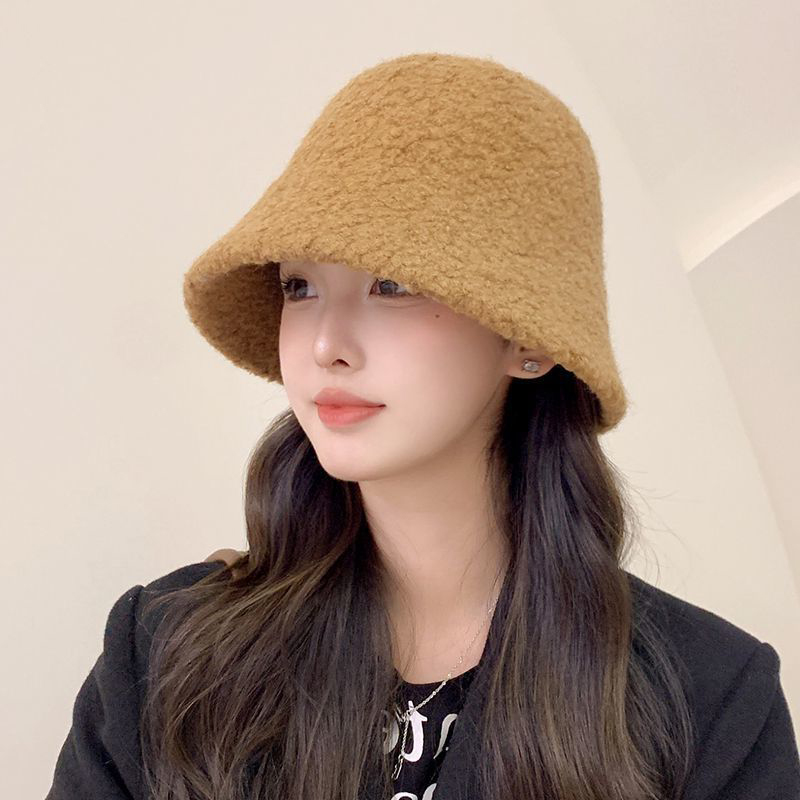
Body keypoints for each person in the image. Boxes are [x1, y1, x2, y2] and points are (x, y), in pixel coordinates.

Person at [47, 52, 800, 800]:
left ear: (527, 337)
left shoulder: (710, 703)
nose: (325, 344)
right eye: (299, 287)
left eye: (393, 284)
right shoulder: (166, 657)